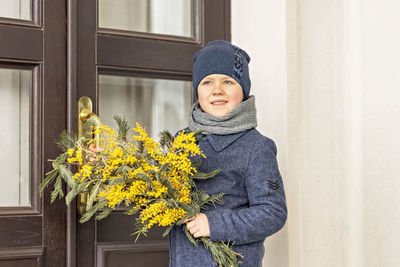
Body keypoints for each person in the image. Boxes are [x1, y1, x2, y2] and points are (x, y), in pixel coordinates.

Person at [168, 40, 287, 267]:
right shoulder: (181, 140)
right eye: (207, 82)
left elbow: (273, 212)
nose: (217, 90)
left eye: (228, 81)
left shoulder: (256, 147)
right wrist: (107, 162)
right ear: (197, 91)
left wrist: (214, 225)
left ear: (243, 91)